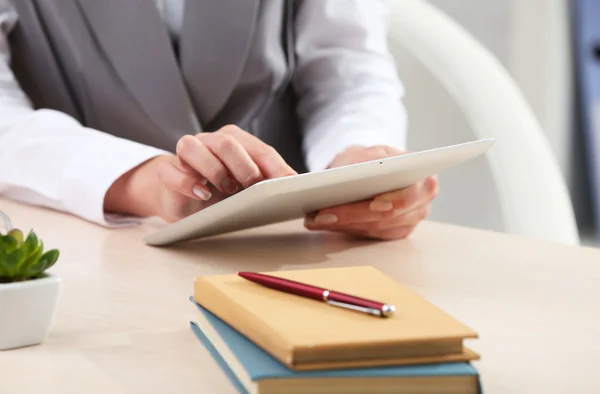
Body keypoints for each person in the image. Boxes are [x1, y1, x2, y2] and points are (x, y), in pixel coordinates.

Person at [0, 0, 438, 241]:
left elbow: (346, 72)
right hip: (86, 240)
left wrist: (361, 162)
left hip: (282, 238)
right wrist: (144, 181)